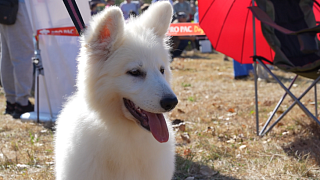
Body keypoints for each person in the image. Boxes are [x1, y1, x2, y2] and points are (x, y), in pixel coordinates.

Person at [0, 0, 34, 118]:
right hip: (16, 4)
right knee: (22, 54)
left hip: (7, 5)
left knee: (8, 55)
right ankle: (22, 103)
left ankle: (12, 101)